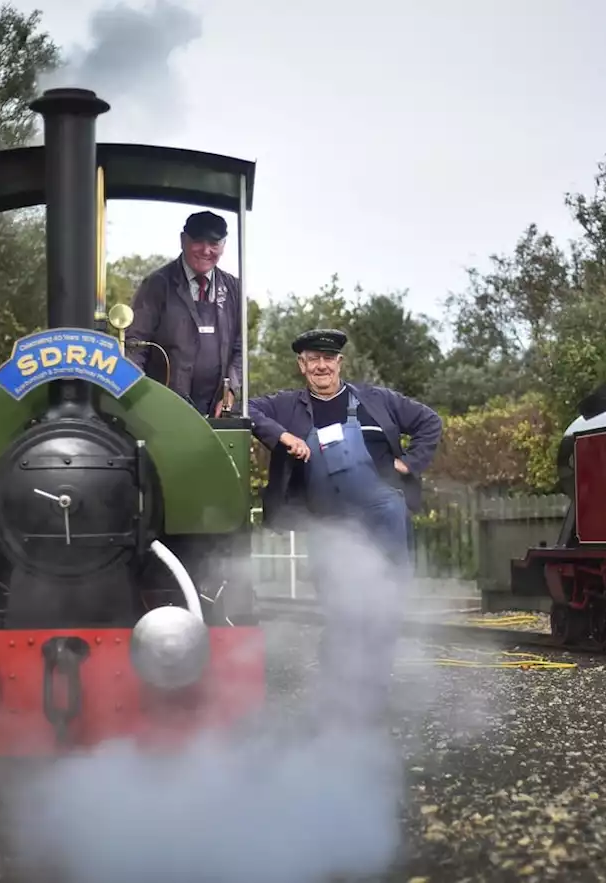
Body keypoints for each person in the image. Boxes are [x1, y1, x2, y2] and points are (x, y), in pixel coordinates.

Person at [248, 328, 442, 728]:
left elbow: (429, 421)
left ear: (339, 363)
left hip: (384, 517)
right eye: (312, 359)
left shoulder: (377, 401)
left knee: (385, 604)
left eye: (328, 358)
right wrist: (282, 436)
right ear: (301, 365)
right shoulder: (287, 406)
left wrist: (408, 464)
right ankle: (340, 693)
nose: (321, 365)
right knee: (339, 609)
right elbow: (246, 410)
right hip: (329, 524)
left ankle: (374, 693)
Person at [123, 211, 243, 417]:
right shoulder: (157, 285)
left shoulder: (234, 288)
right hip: (164, 411)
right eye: (198, 241)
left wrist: (231, 389)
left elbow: (241, 349)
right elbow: (134, 345)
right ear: (183, 240)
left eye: (214, 243)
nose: (206, 250)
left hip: (217, 411)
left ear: (223, 245)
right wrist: (139, 399)